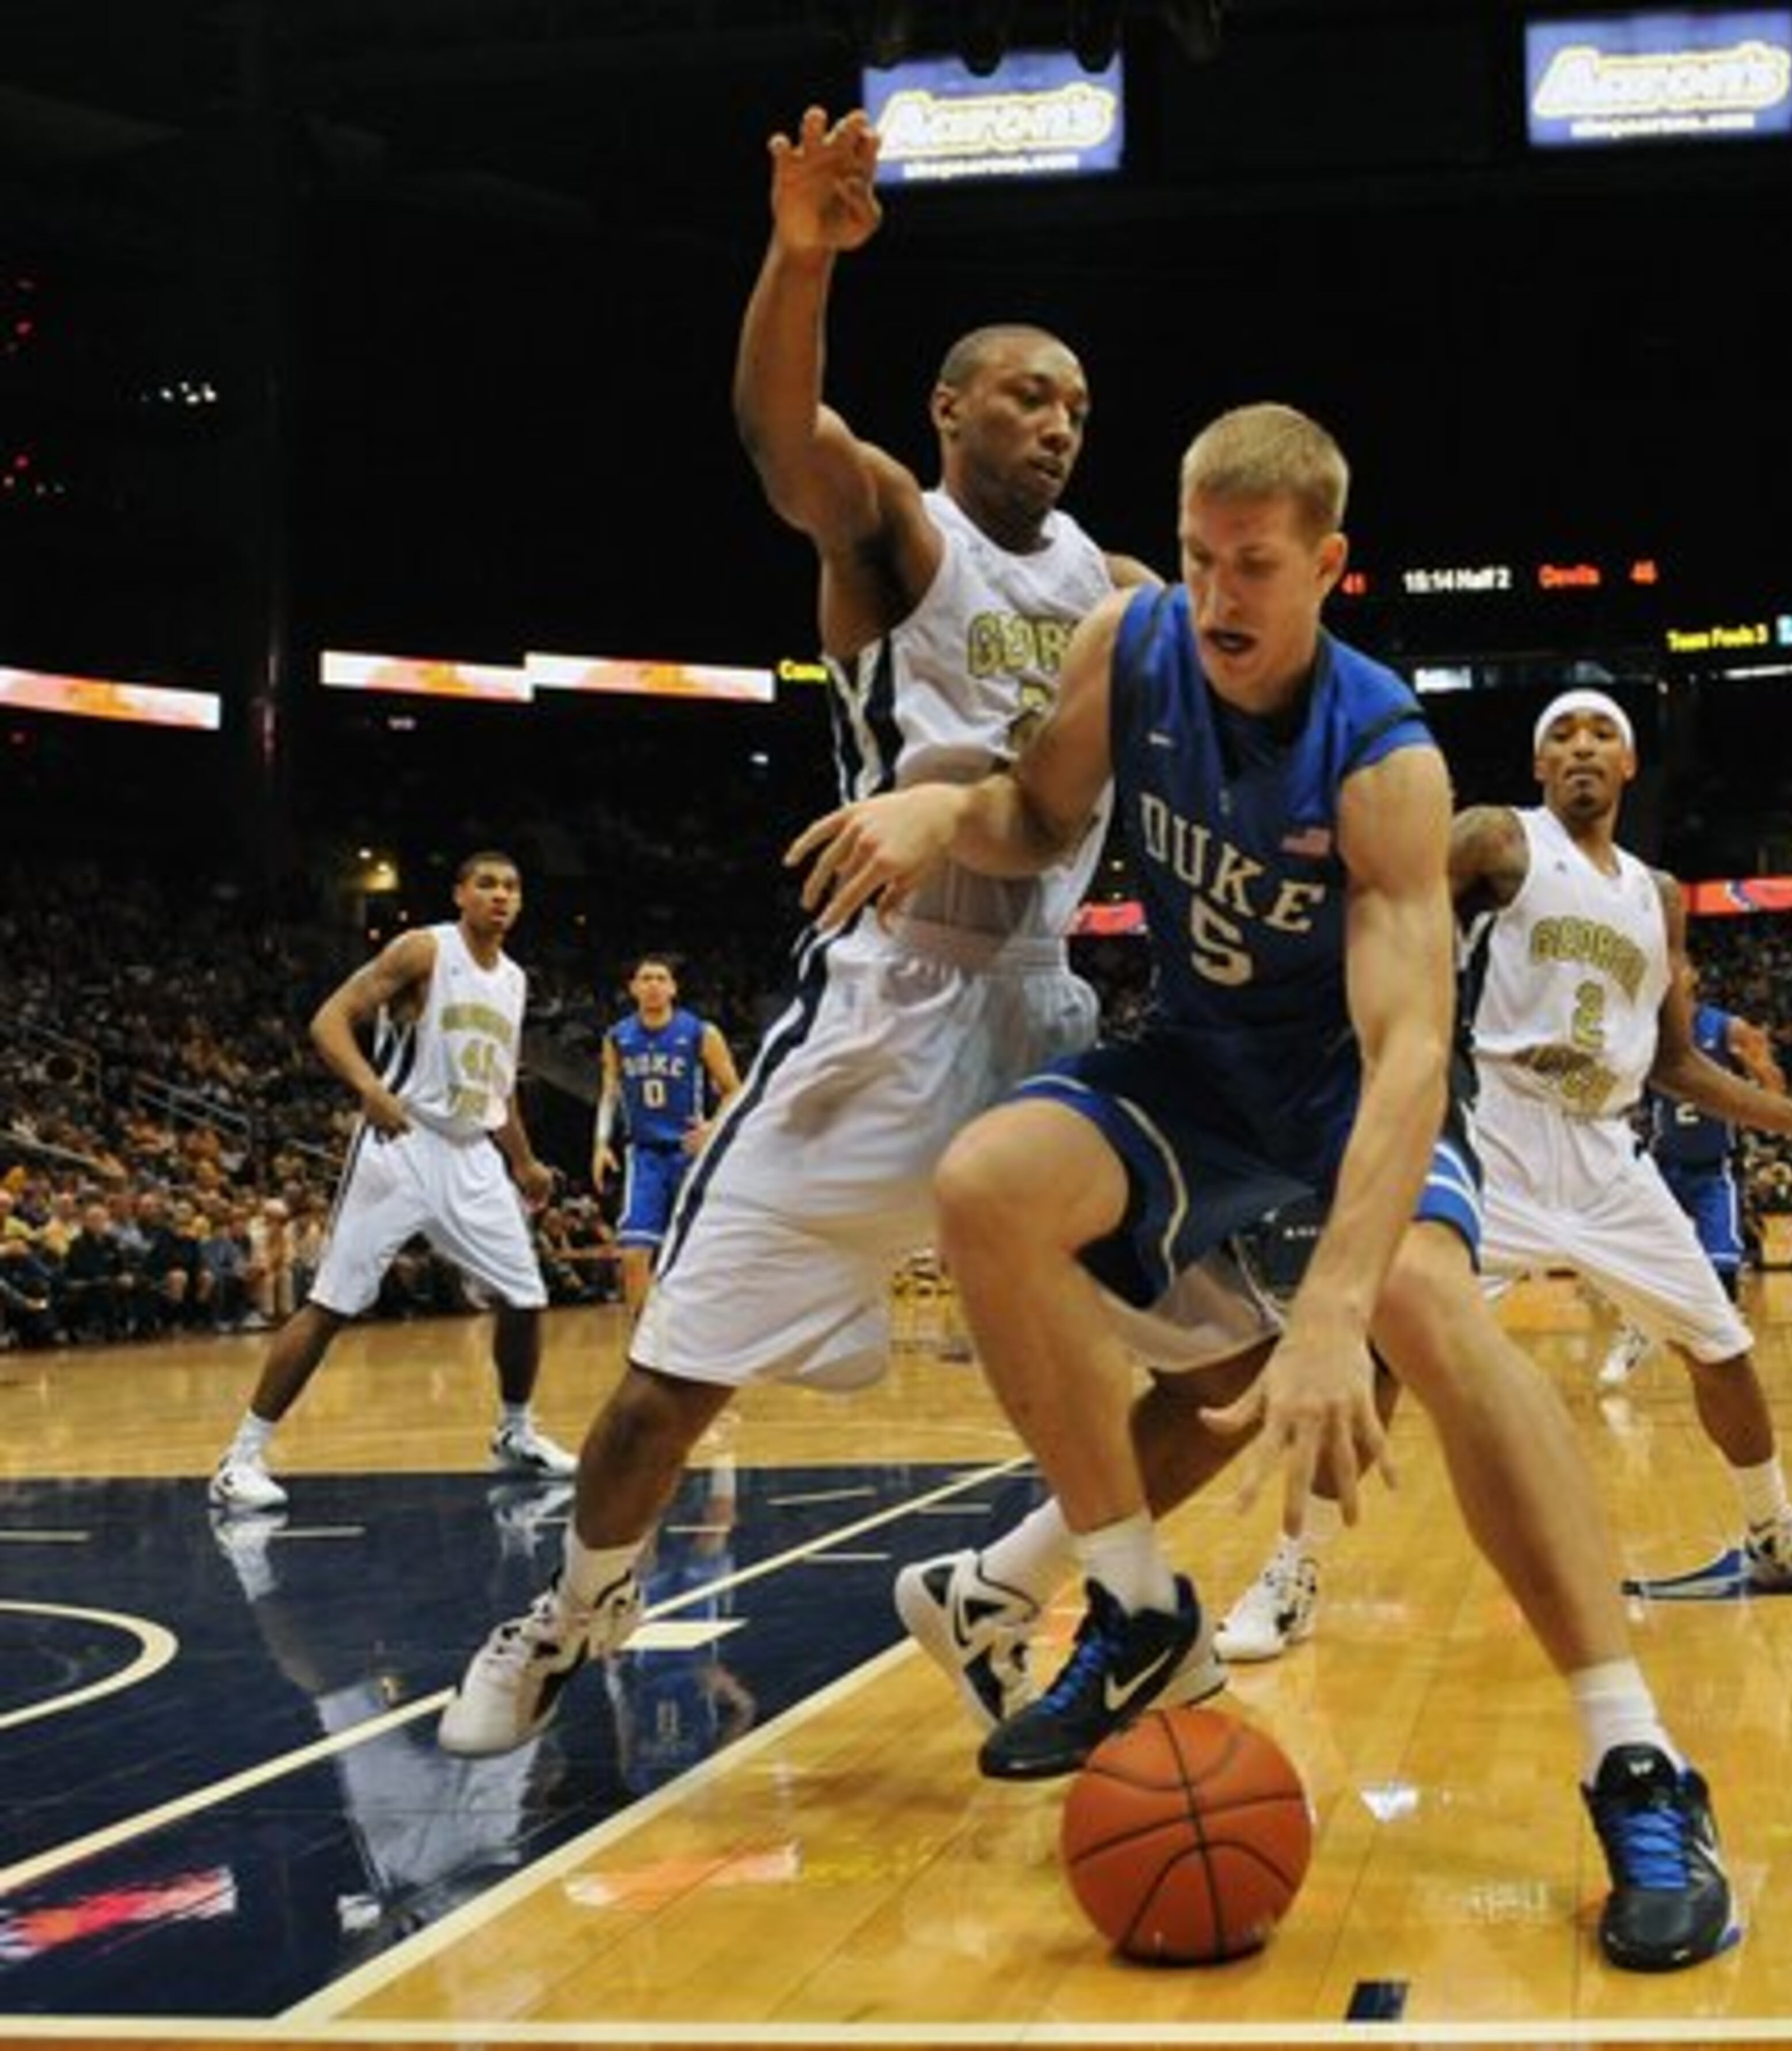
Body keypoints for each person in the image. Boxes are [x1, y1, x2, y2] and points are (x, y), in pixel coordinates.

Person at [789, 404, 1736, 1974]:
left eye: (1260, 567)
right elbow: (1034, 812)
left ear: (1329, 568)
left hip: (1348, 1093)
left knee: (1436, 1313)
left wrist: (1338, 1308)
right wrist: (938, 809)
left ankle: (1636, 1759)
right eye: (1204, 556)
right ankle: (1139, 1603)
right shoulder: (1132, 642)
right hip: (1203, 1068)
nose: (1223, 595)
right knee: (986, 1186)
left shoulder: (1383, 757)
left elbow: (1413, 1044)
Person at [436, 106, 1275, 1763]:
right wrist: (800, 257)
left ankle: (998, 1589)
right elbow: (776, 435)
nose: (1058, 423)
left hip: (1044, 1020)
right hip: (883, 1010)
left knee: (1234, 1373)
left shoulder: (1117, 585)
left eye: (1081, 407)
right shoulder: (902, 530)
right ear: (950, 406)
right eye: (1029, 393)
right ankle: (568, 1610)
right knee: (666, 1395)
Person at [1212, 690, 1792, 1665]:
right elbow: (1380, 899)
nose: (1581, 748)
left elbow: (1673, 1059)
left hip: (1606, 1151)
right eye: (1561, 739)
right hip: (1489, 1133)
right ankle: (1293, 1573)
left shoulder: (1658, 897)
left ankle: (1774, 1530)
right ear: (1539, 768)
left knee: (1722, 1344)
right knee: (1382, 1362)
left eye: (1601, 735)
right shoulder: (1498, 838)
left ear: (1629, 765)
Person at [207, 851, 577, 1513]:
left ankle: (515, 1432)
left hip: (472, 1153)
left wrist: (523, 1161)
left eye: (512, 886)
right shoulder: (424, 950)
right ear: (461, 894)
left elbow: (499, 1086)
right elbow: (329, 1018)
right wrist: (369, 1087)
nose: (501, 895)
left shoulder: (516, 980)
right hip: (401, 1141)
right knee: (330, 1304)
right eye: (487, 884)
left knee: (525, 1297)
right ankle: (240, 1459)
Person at [1595, 962, 1782, 1391]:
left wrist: (1759, 1067)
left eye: (1678, 966)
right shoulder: (1643, 1029)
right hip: (1663, 1164)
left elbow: (1774, 1088)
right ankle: (1636, 1332)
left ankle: (1725, 1353)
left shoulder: (1727, 1027)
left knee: (1722, 1266)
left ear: (1695, 976)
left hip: (1715, 1167)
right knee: (1640, 1263)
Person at [592, 954, 742, 1314]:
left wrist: (712, 1128)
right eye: (646, 978)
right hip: (644, 1154)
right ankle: (642, 1344)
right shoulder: (617, 1037)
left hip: (690, 1152)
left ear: (673, 988)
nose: (654, 984)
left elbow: (734, 1089)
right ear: (633, 988)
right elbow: (610, 1092)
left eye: (661, 978)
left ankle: (708, 1334)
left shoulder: (700, 1032)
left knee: (701, 1252)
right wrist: (600, 1144)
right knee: (632, 1254)